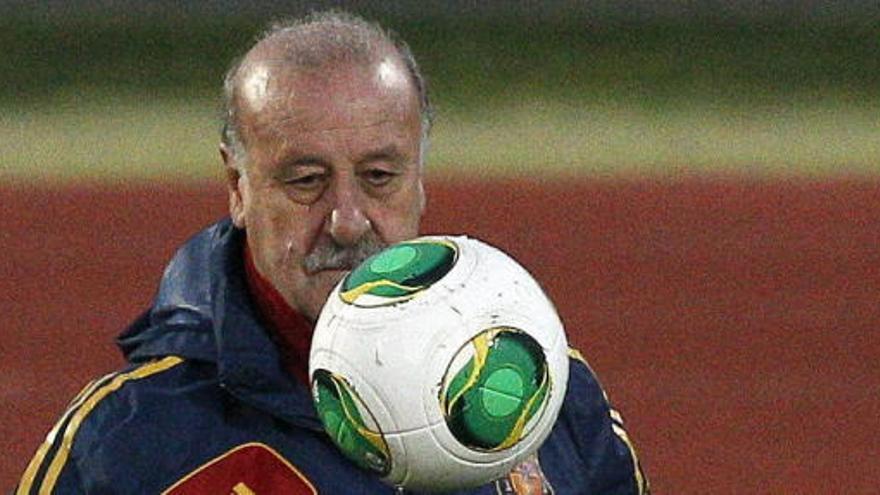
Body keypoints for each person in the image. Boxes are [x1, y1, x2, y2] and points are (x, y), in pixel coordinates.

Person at [16, 11, 649, 495]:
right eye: (306, 181)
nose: (347, 223)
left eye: (379, 177)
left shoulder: (538, 387)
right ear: (237, 187)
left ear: (420, 179)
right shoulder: (128, 441)